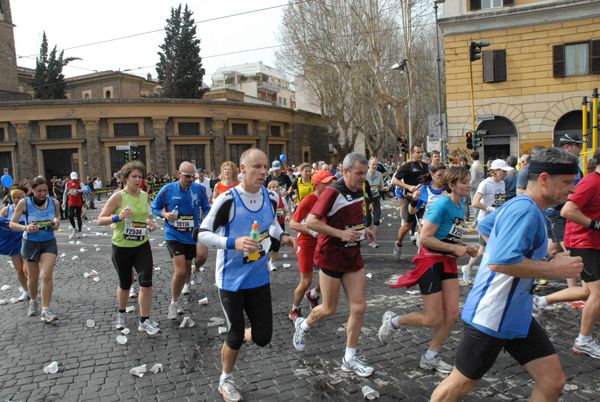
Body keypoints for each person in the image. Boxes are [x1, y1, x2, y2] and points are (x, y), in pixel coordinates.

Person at [430, 147, 583, 402]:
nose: (573, 190)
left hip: (516, 314)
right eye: (568, 182)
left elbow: (487, 226)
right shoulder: (525, 210)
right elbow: (500, 263)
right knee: (460, 385)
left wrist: (525, 254)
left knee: (552, 380)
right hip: (491, 315)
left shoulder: (523, 205)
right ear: (544, 179)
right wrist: (554, 268)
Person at [196, 148, 295, 402]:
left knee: (263, 337)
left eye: (265, 167)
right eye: (256, 167)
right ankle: (225, 380)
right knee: (235, 333)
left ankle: (236, 336)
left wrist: (281, 235)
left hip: (258, 277)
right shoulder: (227, 199)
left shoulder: (271, 196)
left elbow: (271, 222)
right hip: (231, 280)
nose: (263, 172)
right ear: (242, 169)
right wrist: (233, 242)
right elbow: (203, 233)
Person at [379, 167, 478, 373]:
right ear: (451, 185)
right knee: (433, 318)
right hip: (430, 261)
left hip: (447, 262)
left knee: (451, 315)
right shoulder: (442, 204)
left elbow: (448, 235)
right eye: (464, 181)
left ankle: (430, 357)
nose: (469, 184)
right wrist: (454, 247)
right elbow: (424, 238)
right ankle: (394, 321)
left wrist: (464, 247)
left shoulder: (460, 206)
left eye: (469, 180)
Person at [293, 152, 376, 378]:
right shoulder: (332, 192)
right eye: (359, 173)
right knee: (329, 309)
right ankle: (303, 324)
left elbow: (353, 219)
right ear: (345, 171)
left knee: (359, 307)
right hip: (330, 256)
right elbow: (310, 222)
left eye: (365, 172)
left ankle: (349, 358)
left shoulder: (360, 190)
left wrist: (363, 230)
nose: (363, 177)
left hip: (353, 257)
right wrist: (341, 233)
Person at [98, 161, 159, 336]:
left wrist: (150, 223)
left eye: (140, 177)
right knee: (125, 284)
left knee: (146, 283)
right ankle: (121, 312)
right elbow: (101, 219)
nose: (138, 180)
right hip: (122, 246)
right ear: (125, 178)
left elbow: (144, 216)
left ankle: (144, 320)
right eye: (134, 176)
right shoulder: (118, 197)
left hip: (141, 245)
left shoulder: (143, 196)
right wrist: (118, 216)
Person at [152, 162, 211, 320]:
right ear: (179, 174)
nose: (191, 179)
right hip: (173, 235)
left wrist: (209, 218)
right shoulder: (168, 189)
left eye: (193, 176)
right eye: (187, 176)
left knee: (190, 264)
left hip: (191, 235)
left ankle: (191, 276)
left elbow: (206, 207)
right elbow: (154, 208)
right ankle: (174, 303)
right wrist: (165, 215)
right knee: (180, 271)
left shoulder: (199, 189)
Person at [559, 148, 600, 358]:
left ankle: (539, 301)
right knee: (597, 293)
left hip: (594, 243)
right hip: (583, 242)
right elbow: (567, 210)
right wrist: (596, 225)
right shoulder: (592, 181)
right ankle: (584, 340)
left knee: (587, 292)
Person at [10, 177, 61, 322]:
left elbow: (57, 217)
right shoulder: (24, 203)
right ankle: (33, 301)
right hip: (30, 242)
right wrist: (26, 227)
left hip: (48, 242)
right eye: (39, 191)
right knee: (33, 278)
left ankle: (46, 310)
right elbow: (13, 224)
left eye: (45, 190)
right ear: (32, 190)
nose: (42, 194)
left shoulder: (54, 202)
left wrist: (56, 223)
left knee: (46, 275)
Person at [287, 170, 334, 322]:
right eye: (327, 183)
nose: (331, 185)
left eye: (332, 181)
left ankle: (312, 295)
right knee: (306, 281)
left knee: (330, 274)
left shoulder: (331, 199)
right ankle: (294, 308)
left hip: (322, 241)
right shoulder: (308, 201)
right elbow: (293, 223)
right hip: (306, 243)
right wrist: (311, 231)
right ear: (318, 185)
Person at [461, 159, 511, 285]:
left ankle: (495, 275)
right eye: (503, 171)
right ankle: (468, 268)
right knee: (483, 251)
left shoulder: (502, 183)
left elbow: (500, 201)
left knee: (496, 247)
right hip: (485, 222)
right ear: (495, 171)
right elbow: (475, 203)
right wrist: (491, 209)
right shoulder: (485, 184)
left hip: (498, 220)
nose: (505, 174)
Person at [392, 145, 429, 259]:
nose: (420, 154)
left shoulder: (427, 166)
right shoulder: (408, 166)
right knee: (407, 225)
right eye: (418, 152)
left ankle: (421, 251)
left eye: (422, 152)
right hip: (410, 198)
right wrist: (408, 187)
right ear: (412, 153)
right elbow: (394, 180)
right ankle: (398, 243)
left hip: (422, 199)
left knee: (423, 224)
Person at [0, 187, 30, 301]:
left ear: (24, 197)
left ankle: (33, 284)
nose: (16, 200)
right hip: (12, 243)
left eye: (18, 197)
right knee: (19, 270)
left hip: (26, 241)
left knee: (27, 269)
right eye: (14, 197)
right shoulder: (7, 210)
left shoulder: (28, 208)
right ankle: (26, 291)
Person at [266, 180, 290, 271]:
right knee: (267, 245)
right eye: (273, 187)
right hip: (268, 225)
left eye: (277, 187)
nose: (275, 189)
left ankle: (271, 262)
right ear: (269, 188)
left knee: (276, 245)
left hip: (280, 224)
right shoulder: (265, 199)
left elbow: (287, 211)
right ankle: (265, 262)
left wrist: (287, 216)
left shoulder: (282, 199)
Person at [366, 157, 388, 248]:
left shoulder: (379, 175)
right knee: (367, 222)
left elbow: (380, 187)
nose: (375, 166)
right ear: (369, 165)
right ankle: (366, 236)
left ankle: (371, 240)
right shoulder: (364, 175)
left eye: (376, 164)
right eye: (373, 164)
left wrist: (384, 189)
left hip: (375, 199)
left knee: (376, 220)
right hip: (366, 199)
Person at [62, 172, 86, 238]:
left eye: (75, 179)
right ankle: (74, 228)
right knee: (70, 215)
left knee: (78, 217)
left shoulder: (79, 183)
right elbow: (65, 192)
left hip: (78, 202)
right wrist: (64, 202)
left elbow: (85, 189)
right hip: (71, 202)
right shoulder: (68, 184)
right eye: (73, 179)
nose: (74, 180)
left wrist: (78, 191)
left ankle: (79, 231)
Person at [469, 151, 484, 223]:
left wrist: (469, 185)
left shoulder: (474, 165)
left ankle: (476, 220)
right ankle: (477, 220)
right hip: (480, 185)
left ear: (472, 157)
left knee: (474, 204)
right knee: (479, 203)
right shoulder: (479, 164)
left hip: (475, 186)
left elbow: (473, 178)